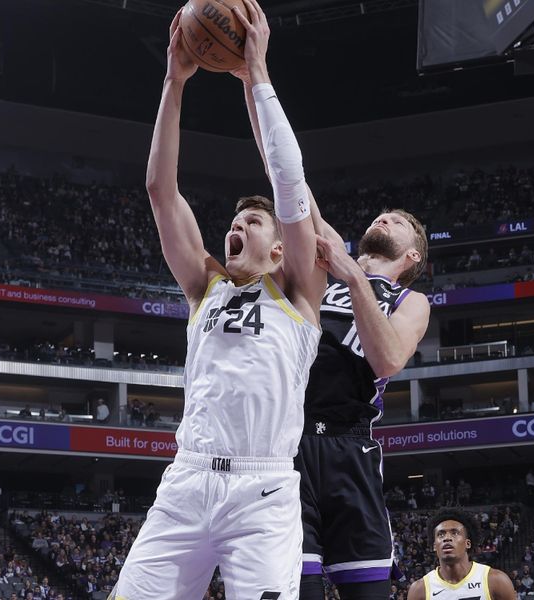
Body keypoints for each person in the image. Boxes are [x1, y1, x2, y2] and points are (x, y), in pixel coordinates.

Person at [109, 2, 324, 599]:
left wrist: (257, 75)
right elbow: (160, 190)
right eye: (234, 219)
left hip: (263, 491)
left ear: (280, 248)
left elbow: (290, 184)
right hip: (188, 480)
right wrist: (174, 82)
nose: (238, 225)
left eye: (252, 221)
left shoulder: (301, 291)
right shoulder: (207, 287)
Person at [237, 38, 430, 600]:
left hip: (351, 452)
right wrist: (253, 77)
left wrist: (352, 277)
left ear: (413, 255)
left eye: (396, 221)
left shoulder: (409, 301)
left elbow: (389, 357)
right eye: (382, 213)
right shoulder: (326, 251)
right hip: (287, 444)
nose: (384, 216)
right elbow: (285, 175)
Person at [407, 509, 517, 600]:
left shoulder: (495, 580)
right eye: (441, 534)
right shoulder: (419, 590)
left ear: (467, 543)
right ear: (434, 546)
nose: (447, 538)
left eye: (455, 533)